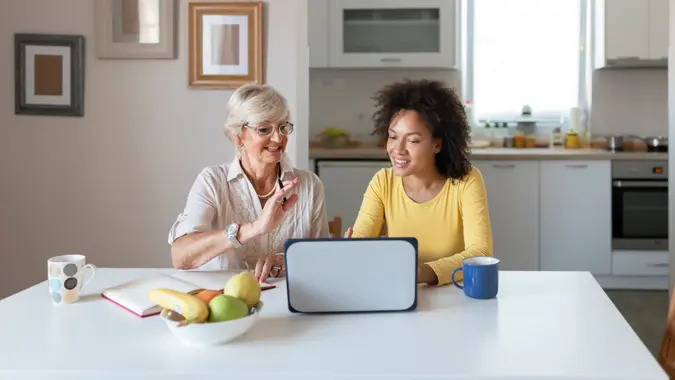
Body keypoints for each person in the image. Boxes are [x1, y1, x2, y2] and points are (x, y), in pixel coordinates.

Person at [168, 84, 330, 282]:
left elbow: (322, 258)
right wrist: (253, 229)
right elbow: (181, 256)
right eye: (264, 129)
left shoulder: (309, 185)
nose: (278, 137)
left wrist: (288, 260)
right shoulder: (212, 181)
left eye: (283, 127)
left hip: (289, 300)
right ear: (238, 137)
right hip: (225, 300)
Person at [345, 79, 493, 286]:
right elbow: (360, 239)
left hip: (454, 294)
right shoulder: (383, 182)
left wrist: (421, 273)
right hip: (398, 290)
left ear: (437, 145)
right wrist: (351, 249)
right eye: (393, 137)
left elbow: (480, 253)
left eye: (413, 140)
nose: (398, 149)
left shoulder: (466, 181)